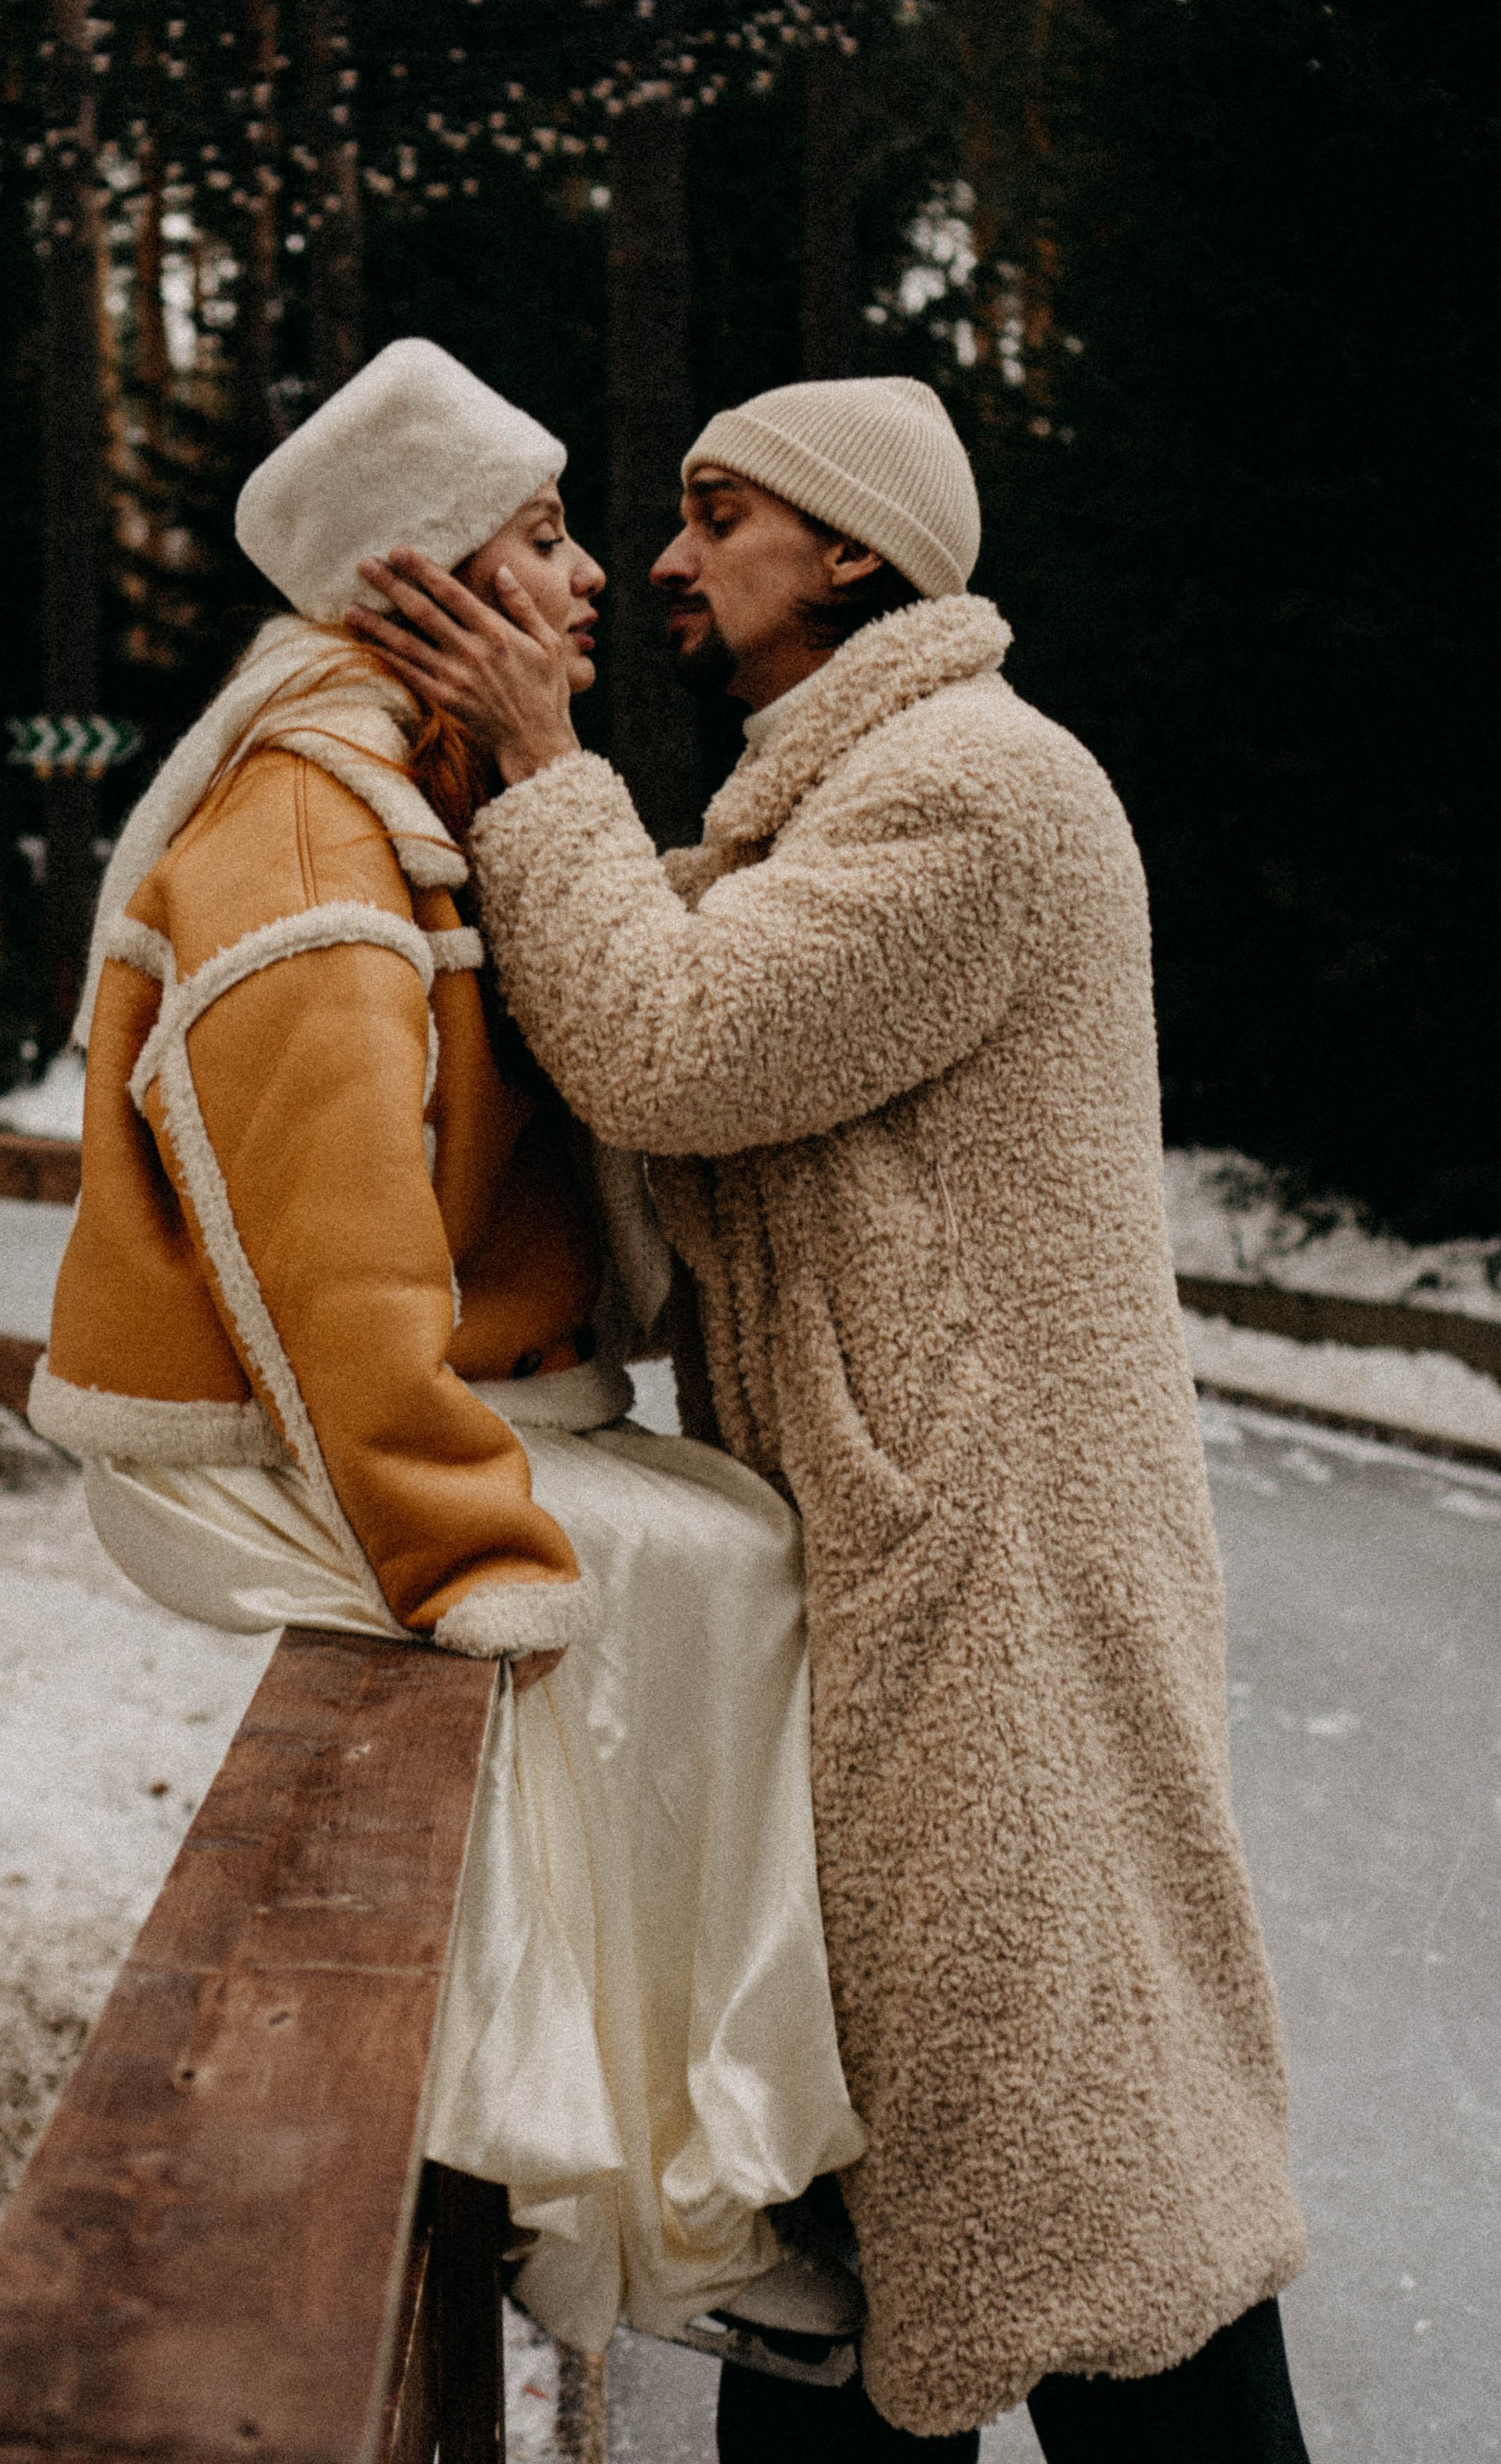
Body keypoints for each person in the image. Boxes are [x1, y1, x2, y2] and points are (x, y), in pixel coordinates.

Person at [348, 374, 1314, 2458]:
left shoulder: (982, 786)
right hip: (891, 1596)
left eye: (718, 516)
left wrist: (539, 764)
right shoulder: (812, 812)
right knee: (887, 2261)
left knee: (1113, 2246)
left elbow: (674, 1052)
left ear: (857, 546)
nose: (665, 561)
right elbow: (636, 1134)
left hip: (1007, 1615)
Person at [27, 339, 866, 2374]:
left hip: (416, 1409)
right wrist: (450, 1543)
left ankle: (700, 2158)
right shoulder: (315, 834)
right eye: (547, 536)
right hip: (259, 1444)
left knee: (735, 1538)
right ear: (417, 581)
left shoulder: (423, 795)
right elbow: (321, 1260)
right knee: (701, 1582)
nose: (595, 581)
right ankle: (645, 2190)